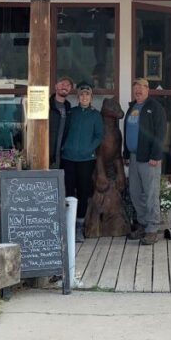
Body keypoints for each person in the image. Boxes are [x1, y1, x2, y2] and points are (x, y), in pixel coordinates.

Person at [123, 78, 167, 246]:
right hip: (134, 157)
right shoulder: (132, 108)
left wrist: (155, 155)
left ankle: (152, 229)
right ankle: (142, 224)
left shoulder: (155, 108)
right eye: (135, 88)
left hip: (149, 158)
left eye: (141, 87)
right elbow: (128, 131)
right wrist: (126, 154)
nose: (138, 90)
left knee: (150, 194)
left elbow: (160, 133)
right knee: (135, 192)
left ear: (148, 90)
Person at [61, 82, 103, 242]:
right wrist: (65, 147)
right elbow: (63, 132)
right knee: (69, 192)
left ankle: (79, 226)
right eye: (82, 94)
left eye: (87, 94)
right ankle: (68, 226)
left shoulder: (95, 115)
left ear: (91, 97)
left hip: (86, 160)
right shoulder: (72, 113)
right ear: (78, 97)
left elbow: (99, 135)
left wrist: (88, 149)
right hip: (68, 158)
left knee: (84, 192)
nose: (84, 97)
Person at [49, 75, 74, 168]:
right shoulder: (46, 105)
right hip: (46, 154)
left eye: (68, 85)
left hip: (62, 155)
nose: (65, 87)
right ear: (56, 86)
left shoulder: (68, 107)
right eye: (62, 84)